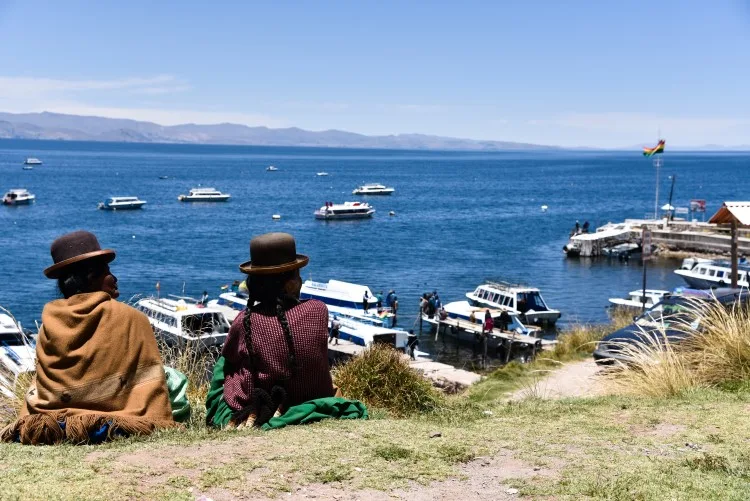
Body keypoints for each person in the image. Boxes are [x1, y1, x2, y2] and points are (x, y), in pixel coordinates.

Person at [1, 231, 174, 444]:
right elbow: (149, 385)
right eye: (108, 271)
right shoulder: (132, 318)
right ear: (91, 275)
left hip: (50, 423)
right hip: (109, 425)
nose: (115, 278)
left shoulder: (50, 320)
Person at [206, 232, 335, 429]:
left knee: (225, 361)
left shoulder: (244, 320)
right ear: (291, 284)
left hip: (261, 400)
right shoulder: (319, 310)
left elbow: (229, 359)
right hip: (313, 397)